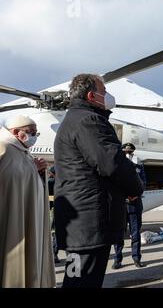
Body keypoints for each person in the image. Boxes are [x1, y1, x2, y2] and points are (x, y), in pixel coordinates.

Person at [54, 74, 144, 288]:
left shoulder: (73, 119)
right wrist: (135, 188)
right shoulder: (89, 120)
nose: (108, 97)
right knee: (84, 282)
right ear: (92, 96)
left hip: (80, 225)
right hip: (90, 222)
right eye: (104, 92)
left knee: (76, 280)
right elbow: (112, 163)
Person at [0, 115, 55, 287]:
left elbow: (25, 176)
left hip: (28, 215)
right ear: (16, 132)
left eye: (36, 133)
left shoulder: (22, 150)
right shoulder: (4, 146)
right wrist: (33, 168)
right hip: (11, 215)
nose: (34, 137)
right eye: (31, 132)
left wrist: (39, 171)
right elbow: (10, 178)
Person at [113, 142, 147, 269]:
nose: (128, 154)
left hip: (135, 204)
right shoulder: (116, 165)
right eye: (125, 152)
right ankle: (117, 259)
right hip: (121, 205)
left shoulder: (139, 166)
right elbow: (114, 183)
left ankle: (136, 258)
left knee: (135, 233)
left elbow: (143, 183)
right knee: (119, 234)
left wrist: (136, 194)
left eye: (130, 152)